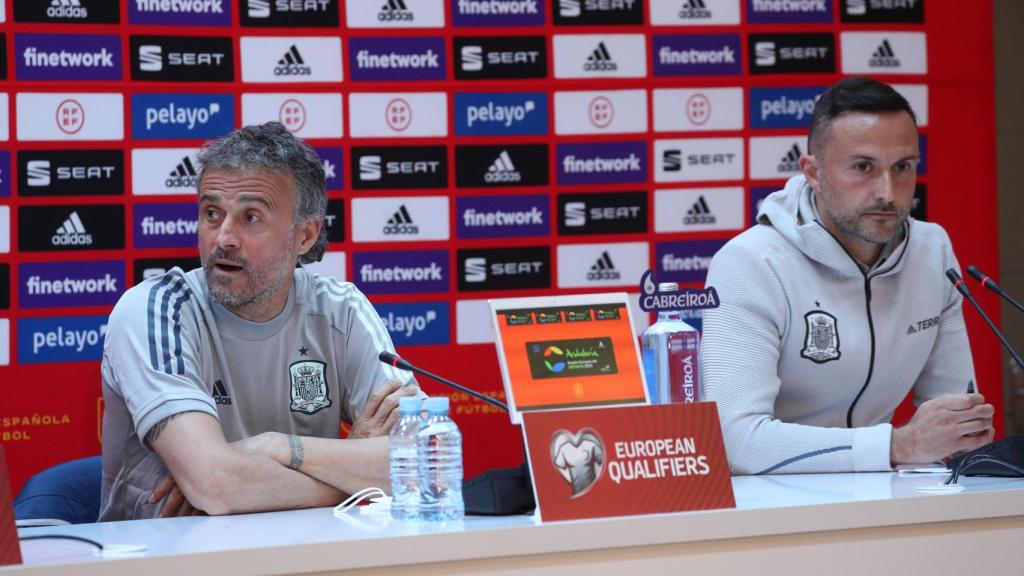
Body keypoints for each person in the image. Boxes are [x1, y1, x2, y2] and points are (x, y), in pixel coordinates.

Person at [99, 122, 420, 520]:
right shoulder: (154, 311)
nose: (223, 238)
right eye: (212, 213)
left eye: (251, 217)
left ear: (304, 236)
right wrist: (352, 468)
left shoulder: (341, 310)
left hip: (307, 555)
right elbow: (216, 487)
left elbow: (424, 461)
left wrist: (276, 447)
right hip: (166, 557)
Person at [699, 78, 995, 474]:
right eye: (863, 167)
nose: (887, 192)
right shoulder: (750, 263)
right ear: (814, 172)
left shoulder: (933, 251)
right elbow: (736, 442)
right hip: (771, 511)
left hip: (884, 496)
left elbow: (955, 420)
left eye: (903, 167)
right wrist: (898, 444)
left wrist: (963, 430)